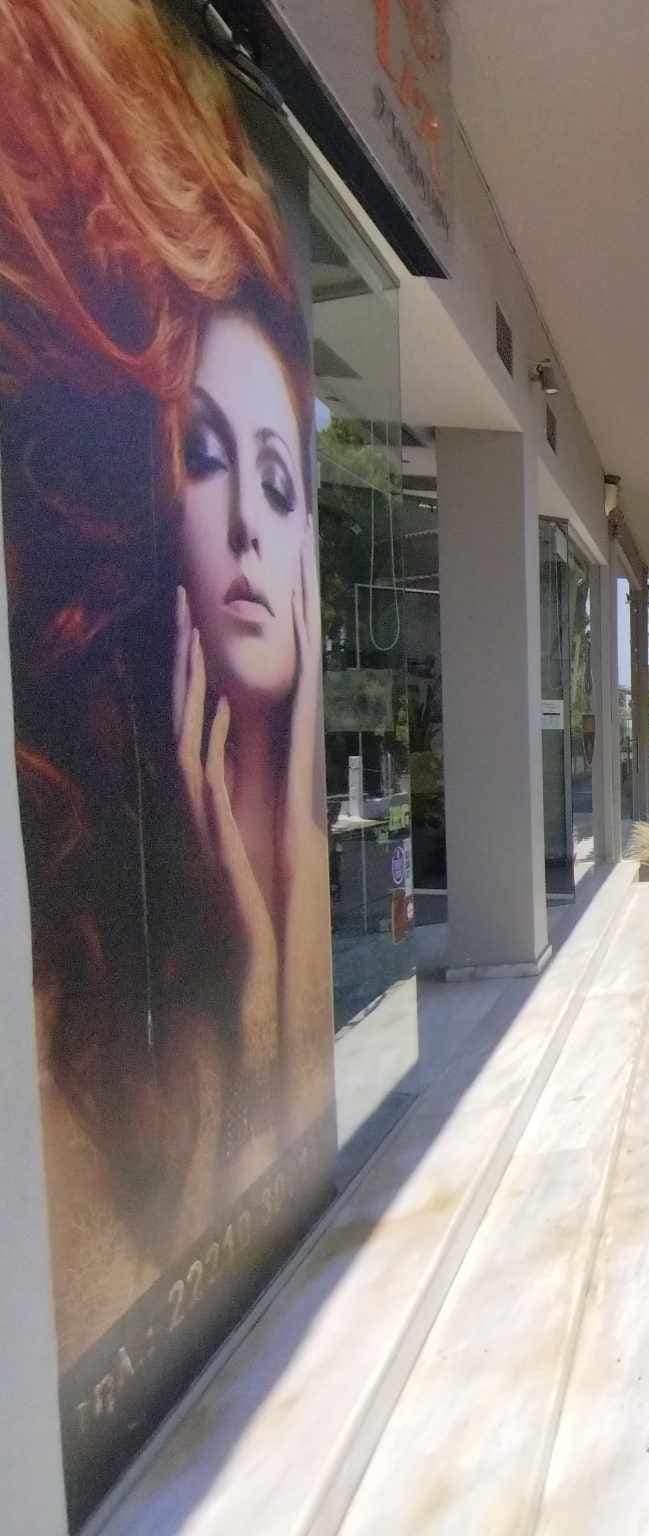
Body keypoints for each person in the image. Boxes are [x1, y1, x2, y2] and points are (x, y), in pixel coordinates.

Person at [0, 0, 331, 1368]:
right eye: (207, 458)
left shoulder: (281, 889)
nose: (254, 530)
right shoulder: (83, 935)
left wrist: (259, 990)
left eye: (279, 476)